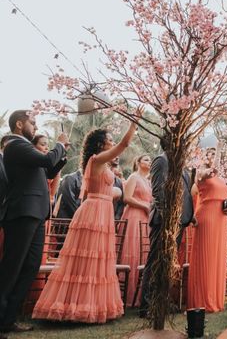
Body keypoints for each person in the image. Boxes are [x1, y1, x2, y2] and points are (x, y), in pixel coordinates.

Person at [32, 115, 139, 323]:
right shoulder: (97, 160)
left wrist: (115, 191)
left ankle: (93, 305)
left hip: (101, 209)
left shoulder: (101, 165)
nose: (112, 141)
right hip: (95, 213)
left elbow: (98, 189)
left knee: (98, 259)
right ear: (101, 144)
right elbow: (125, 144)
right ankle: (76, 308)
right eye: (109, 139)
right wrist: (133, 124)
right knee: (87, 259)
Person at [0, 110, 67, 335]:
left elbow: (46, 170)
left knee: (30, 267)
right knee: (12, 268)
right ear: (20, 124)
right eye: (33, 122)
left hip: (36, 214)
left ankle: (9, 319)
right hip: (22, 213)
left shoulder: (24, 149)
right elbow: (47, 159)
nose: (36, 127)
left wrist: (61, 156)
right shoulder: (15, 145)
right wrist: (59, 144)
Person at [138, 136, 195, 317]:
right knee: (155, 261)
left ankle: (161, 301)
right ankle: (147, 306)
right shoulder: (161, 161)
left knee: (168, 263)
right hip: (164, 222)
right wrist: (167, 219)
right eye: (182, 142)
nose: (185, 145)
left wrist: (188, 216)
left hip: (180, 221)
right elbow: (158, 191)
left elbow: (185, 193)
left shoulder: (180, 164)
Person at [187, 146, 227, 312]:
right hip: (207, 217)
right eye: (211, 154)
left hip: (221, 218)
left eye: (216, 153)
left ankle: (215, 298)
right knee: (206, 256)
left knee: (217, 257)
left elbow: (224, 198)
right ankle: (202, 300)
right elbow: (206, 174)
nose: (214, 156)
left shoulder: (220, 179)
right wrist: (215, 161)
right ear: (205, 157)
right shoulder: (201, 173)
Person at [120, 154, 152, 307]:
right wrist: (144, 205)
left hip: (146, 219)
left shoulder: (148, 181)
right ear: (138, 162)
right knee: (132, 251)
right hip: (134, 216)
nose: (149, 162)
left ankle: (140, 295)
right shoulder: (134, 177)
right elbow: (126, 198)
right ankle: (128, 295)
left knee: (143, 253)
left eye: (150, 160)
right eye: (146, 159)